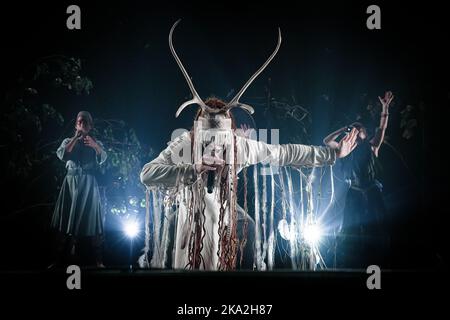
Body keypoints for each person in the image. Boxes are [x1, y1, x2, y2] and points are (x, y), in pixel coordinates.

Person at [139, 21, 359, 271]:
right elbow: (147, 174)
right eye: (207, 138)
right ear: (196, 132)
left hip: (225, 223)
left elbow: (284, 153)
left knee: (249, 236)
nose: (214, 146)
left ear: (230, 133)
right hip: (187, 225)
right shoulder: (185, 144)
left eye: (220, 138)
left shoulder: (239, 146)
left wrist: (331, 153)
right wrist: (193, 169)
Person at [323, 91, 394, 267]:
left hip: (371, 191)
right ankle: (351, 259)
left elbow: (382, 128)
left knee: (377, 226)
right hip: (354, 192)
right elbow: (326, 141)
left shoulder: (372, 147)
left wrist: (385, 108)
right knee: (350, 227)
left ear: (364, 133)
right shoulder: (345, 149)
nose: (356, 130)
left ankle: (380, 260)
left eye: (359, 128)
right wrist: (344, 129)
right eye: (354, 129)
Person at [49, 111, 107, 268]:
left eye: (85, 122)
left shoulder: (95, 142)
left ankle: (99, 261)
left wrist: (95, 145)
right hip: (71, 183)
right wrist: (76, 137)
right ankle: (57, 260)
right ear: (76, 124)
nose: (82, 124)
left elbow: (103, 158)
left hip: (88, 184)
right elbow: (63, 154)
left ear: (90, 126)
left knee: (92, 223)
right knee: (65, 223)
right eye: (80, 121)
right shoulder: (69, 140)